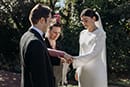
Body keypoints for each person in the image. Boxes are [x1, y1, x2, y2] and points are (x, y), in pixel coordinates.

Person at [20, 4, 56, 87]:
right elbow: (39, 78)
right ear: (42, 20)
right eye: (49, 21)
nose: (50, 25)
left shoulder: (25, 36)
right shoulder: (36, 43)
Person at [73, 8, 108, 87]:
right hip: (83, 71)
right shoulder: (82, 33)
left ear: (94, 19)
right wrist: (78, 69)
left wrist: (74, 59)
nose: (84, 23)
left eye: (86, 20)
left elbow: (94, 53)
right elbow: (81, 51)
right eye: (82, 21)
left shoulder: (101, 34)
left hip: (96, 71)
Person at [45, 22, 66, 87]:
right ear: (49, 30)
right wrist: (60, 60)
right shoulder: (43, 42)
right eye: (55, 32)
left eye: (59, 33)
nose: (57, 35)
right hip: (46, 76)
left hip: (56, 78)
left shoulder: (58, 44)